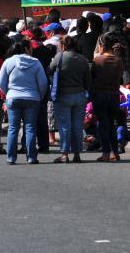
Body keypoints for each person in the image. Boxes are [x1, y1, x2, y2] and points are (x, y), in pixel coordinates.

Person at [0, 39, 48, 165]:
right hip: (32, 97)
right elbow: (43, 82)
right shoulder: (36, 62)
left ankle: (11, 157)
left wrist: (7, 93)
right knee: (30, 128)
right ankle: (31, 157)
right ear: (27, 49)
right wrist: (40, 95)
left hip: (13, 97)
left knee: (13, 128)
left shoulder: (8, 62)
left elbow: (0, 82)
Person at [49, 34, 91, 164]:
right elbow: (88, 80)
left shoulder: (59, 57)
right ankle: (77, 153)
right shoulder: (82, 59)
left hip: (63, 95)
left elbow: (49, 70)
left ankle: (65, 154)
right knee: (78, 125)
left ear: (62, 45)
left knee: (64, 126)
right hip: (79, 95)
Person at [91, 33, 124, 162]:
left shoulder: (97, 60)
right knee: (112, 124)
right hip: (114, 95)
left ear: (101, 46)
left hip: (100, 95)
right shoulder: (119, 61)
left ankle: (106, 152)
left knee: (103, 125)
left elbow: (92, 77)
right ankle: (115, 151)